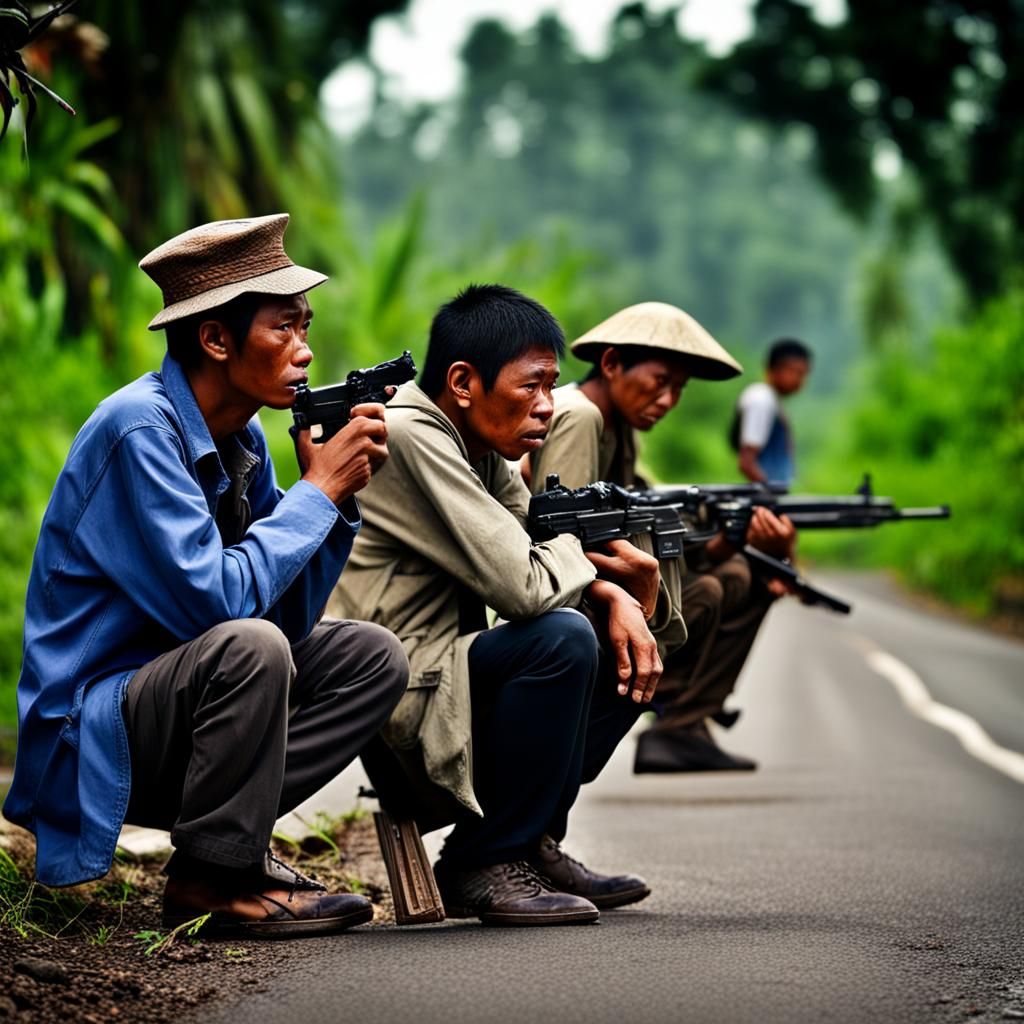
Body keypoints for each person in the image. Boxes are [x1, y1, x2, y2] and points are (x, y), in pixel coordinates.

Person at [3, 215, 409, 938]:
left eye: (306, 326)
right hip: (92, 727)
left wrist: (335, 501)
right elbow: (217, 607)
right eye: (283, 328)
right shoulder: (139, 431)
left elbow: (284, 619)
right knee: (247, 645)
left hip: (177, 702)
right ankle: (211, 882)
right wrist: (318, 495)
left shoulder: (243, 435)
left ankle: (229, 848)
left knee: (369, 656)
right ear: (217, 340)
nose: (305, 350)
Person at [332, 284, 664, 926]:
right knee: (563, 638)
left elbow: (531, 543)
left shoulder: (478, 447)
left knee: (628, 651)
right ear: (462, 382)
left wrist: (614, 596)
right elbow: (523, 586)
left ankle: (530, 839)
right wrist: (590, 570)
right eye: (531, 387)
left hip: (443, 675)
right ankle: (483, 859)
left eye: (552, 387)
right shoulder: (408, 433)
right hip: (396, 685)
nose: (547, 408)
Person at [527, 302, 796, 774]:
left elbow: (648, 528)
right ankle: (664, 709)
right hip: (566, 604)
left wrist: (735, 539)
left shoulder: (621, 430)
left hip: (601, 591)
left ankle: (683, 726)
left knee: (739, 576)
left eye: (679, 389)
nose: (669, 400)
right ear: (611, 364)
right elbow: (558, 537)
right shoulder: (580, 416)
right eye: (660, 381)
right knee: (712, 588)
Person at [732, 337, 813, 486]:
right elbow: (746, 462)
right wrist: (769, 493)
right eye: (795, 372)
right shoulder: (761, 398)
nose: (800, 380)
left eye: (803, 374)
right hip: (768, 500)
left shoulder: (772, 401)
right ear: (774, 369)